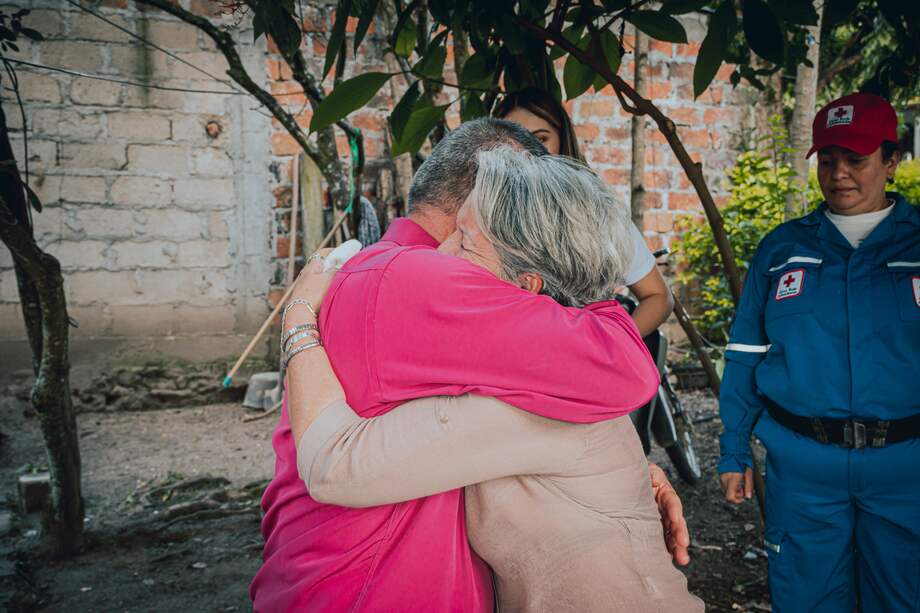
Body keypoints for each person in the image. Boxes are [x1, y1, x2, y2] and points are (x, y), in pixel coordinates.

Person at [251, 119, 690, 612]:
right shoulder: (419, 279)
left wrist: (625, 476)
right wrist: (296, 318)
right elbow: (621, 367)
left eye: (465, 241)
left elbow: (558, 421)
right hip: (372, 591)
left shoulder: (387, 274)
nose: (446, 252)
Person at [718, 92, 920, 612]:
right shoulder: (782, 250)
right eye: (827, 160)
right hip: (804, 470)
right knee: (806, 601)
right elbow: (744, 355)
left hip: (906, 470)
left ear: (892, 160)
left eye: (856, 159)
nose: (839, 174)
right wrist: (733, 450)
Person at [494, 88, 673, 336]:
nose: (527, 153)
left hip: (578, 356)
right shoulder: (478, 215)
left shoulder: (596, 211)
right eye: (514, 143)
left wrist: (609, 344)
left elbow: (659, 296)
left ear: (562, 139)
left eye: (541, 139)